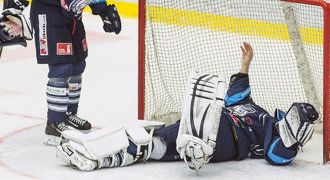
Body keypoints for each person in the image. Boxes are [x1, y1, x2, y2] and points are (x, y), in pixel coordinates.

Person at [54, 42, 319, 173]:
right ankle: (97, 155)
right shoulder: (256, 110)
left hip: (229, 140)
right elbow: (238, 93)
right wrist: (245, 64)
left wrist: (293, 137)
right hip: (209, 119)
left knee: (158, 141)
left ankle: (198, 149)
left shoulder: (271, 132)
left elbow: (278, 156)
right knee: (151, 138)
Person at [0, 0, 121, 145]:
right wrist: (12, 11)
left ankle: (69, 114)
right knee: (61, 67)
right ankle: (55, 123)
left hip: (73, 17)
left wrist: (102, 9)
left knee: (78, 64)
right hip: (48, 14)